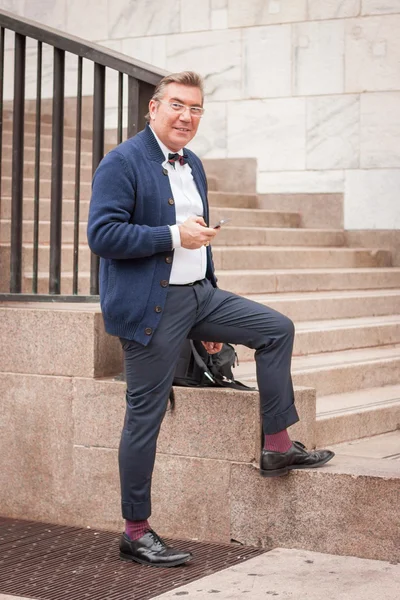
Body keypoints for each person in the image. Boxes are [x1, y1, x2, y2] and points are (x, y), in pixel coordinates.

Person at [87, 71, 334, 568]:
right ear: (152, 109)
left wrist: (212, 317)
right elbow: (104, 236)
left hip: (200, 297)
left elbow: (196, 236)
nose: (186, 116)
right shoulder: (122, 162)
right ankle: (135, 531)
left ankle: (278, 446)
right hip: (149, 310)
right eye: (177, 105)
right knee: (144, 418)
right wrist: (172, 236)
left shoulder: (192, 163)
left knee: (275, 329)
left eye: (196, 109)